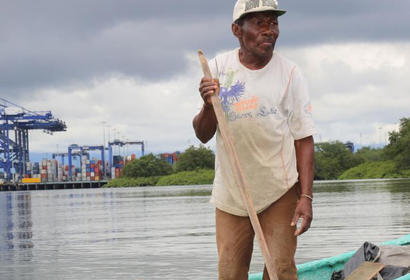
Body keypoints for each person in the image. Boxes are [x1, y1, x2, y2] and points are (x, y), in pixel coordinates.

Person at [193, 0, 316, 279]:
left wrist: (306, 197)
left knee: (281, 271)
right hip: (232, 193)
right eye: (259, 23)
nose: (269, 31)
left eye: (273, 23)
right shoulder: (218, 68)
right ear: (237, 29)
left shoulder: (291, 74)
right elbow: (203, 134)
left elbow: (303, 140)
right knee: (231, 272)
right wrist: (207, 104)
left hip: (279, 189)